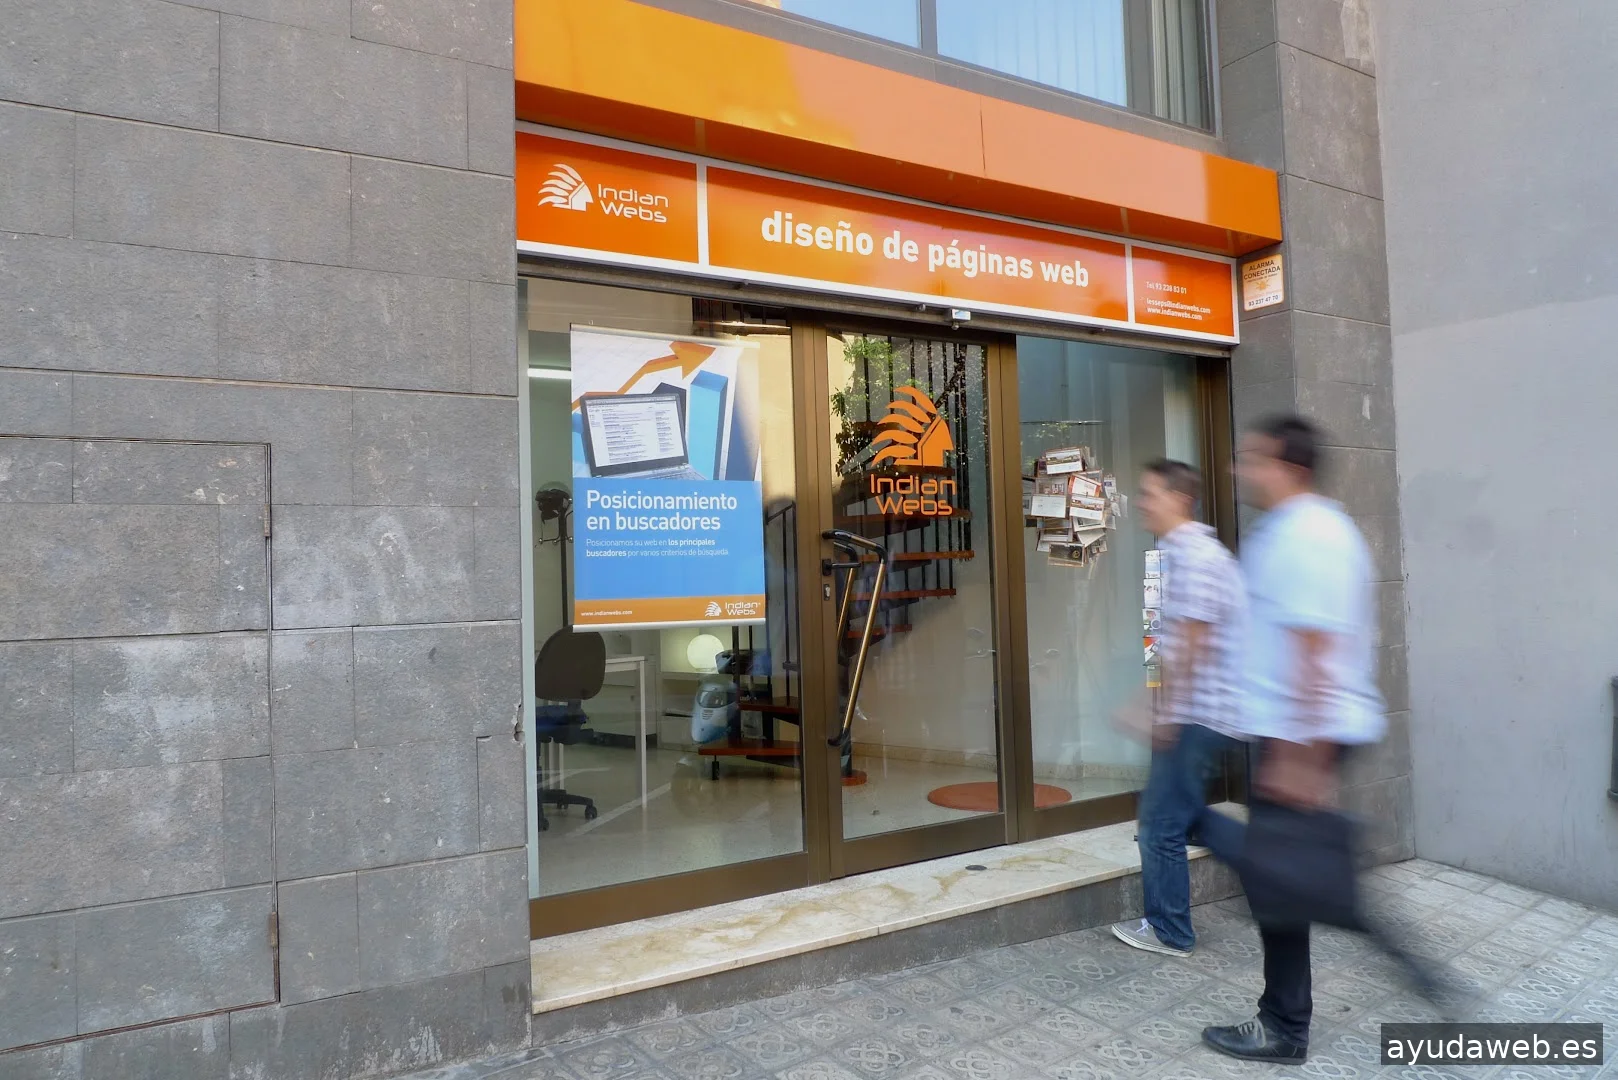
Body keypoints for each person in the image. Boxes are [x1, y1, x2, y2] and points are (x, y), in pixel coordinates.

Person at [1199, 415, 1386, 1063]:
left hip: (1300, 736)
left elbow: (1316, 649)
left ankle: (1283, 1026)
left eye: (1254, 458)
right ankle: (1286, 1016)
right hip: (1290, 733)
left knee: (1279, 884)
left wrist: (1302, 760)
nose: (1239, 468)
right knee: (1278, 880)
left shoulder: (1311, 536)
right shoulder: (1287, 530)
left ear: (1292, 469)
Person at [1110, 459, 1246, 958]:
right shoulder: (1163, 554)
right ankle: (1265, 861)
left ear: (1181, 499)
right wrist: (1152, 697)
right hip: (1181, 708)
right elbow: (1159, 636)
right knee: (1179, 812)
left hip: (1196, 712)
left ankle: (1170, 930)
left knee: (1161, 823)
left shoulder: (1198, 557)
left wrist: (1160, 708)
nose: (1142, 503)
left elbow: (1191, 643)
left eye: (1151, 494)